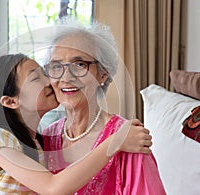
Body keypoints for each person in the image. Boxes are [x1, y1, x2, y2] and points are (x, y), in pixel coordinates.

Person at [0, 53, 153, 194]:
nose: (50, 82)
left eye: (45, 74)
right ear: (11, 102)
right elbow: (53, 188)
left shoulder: (39, 142)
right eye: (36, 79)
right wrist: (115, 142)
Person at [42, 18, 167, 194]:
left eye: (79, 64)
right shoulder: (46, 138)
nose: (66, 77)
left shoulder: (129, 139)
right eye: (56, 66)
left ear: (102, 75)